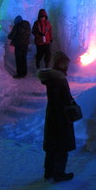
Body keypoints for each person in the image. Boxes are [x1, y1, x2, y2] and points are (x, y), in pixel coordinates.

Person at [37, 51, 76, 182]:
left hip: (52, 115)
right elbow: (63, 100)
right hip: (60, 117)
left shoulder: (51, 78)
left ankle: (48, 172)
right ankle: (59, 173)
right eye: (66, 64)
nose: (68, 66)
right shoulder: (59, 80)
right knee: (61, 145)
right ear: (62, 64)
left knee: (52, 145)